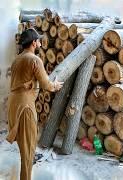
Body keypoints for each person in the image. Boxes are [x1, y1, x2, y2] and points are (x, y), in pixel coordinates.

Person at [6, 28, 64, 180]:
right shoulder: (34, 60)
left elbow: (21, 81)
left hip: (14, 104)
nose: (40, 42)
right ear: (33, 43)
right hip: (25, 106)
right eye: (38, 40)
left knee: (25, 147)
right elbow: (47, 85)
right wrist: (55, 85)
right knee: (28, 150)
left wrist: (32, 84)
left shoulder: (17, 59)